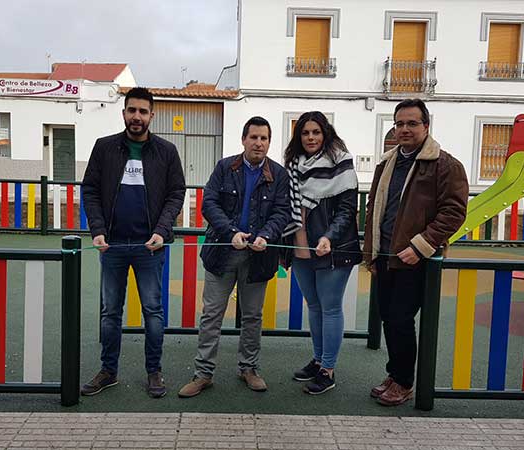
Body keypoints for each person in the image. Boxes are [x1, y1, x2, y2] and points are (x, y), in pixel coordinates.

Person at [81, 87, 186, 398]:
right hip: (112, 246)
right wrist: (97, 229)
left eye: (142, 111)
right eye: (132, 110)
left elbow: (176, 193)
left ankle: (154, 371)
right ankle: (108, 371)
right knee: (110, 312)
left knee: (153, 311)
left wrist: (162, 230)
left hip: (149, 247)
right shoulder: (104, 148)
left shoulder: (166, 151)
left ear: (152, 115)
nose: (136, 116)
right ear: (124, 113)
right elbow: (90, 190)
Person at [363, 98, 468, 406]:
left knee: (400, 318)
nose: (404, 129)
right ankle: (395, 374)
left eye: (412, 123)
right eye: (399, 124)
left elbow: (454, 212)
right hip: (386, 255)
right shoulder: (387, 162)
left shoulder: (445, 165)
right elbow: (374, 207)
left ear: (426, 126)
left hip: (414, 258)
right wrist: (372, 252)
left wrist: (421, 246)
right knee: (388, 317)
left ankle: (404, 382)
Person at [177, 116, 290, 398]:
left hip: (259, 257)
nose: (259, 143)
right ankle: (203, 374)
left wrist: (266, 235)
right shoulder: (224, 167)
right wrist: (231, 232)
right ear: (243, 140)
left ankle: (248, 369)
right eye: (254, 137)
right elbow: (209, 203)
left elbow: (282, 212)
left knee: (252, 316)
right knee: (212, 315)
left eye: (264, 138)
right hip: (222, 253)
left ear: (269, 142)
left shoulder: (279, 174)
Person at [280, 111, 361, 395]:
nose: (311, 137)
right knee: (313, 306)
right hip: (301, 246)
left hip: (332, 248)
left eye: (316, 132)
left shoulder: (341, 162)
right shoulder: (292, 164)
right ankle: (318, 360)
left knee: (330, 307)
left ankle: (328, 370)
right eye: (305, 133)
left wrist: (329, 236)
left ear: (325, 133)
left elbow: (348, 209)